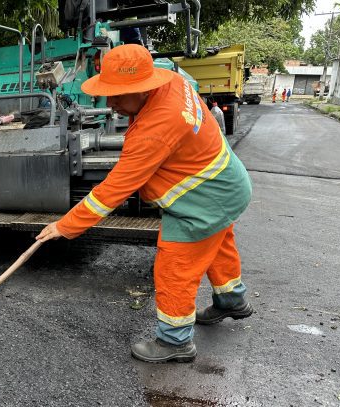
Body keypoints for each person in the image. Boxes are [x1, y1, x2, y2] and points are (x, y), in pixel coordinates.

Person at [36, 44, 253, 363]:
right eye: (107, 93)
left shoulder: (154, 130)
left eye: (119, 96)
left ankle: (175, 341)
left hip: (201, 200)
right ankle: (232, 300)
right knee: (217, 244)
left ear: (142, 88)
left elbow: (111, 192)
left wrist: (64, 226)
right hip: (227, 183)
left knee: (174, 267)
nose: (110, 104)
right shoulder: (172, 79)